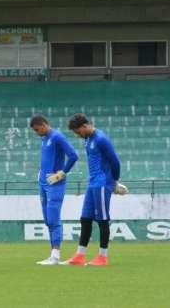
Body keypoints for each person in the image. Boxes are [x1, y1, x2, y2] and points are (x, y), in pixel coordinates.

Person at [64, 114, 126, 267]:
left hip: (102, 183)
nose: (78, 135)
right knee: (85, 219)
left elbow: (115, 161)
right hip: (92, 184)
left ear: (85, 126)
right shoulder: (88, 139)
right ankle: (80, 255)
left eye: (78, 132)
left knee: (103, 220)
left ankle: (103, 257)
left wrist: (114, 181)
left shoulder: (101, 139)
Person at [30, 115, 79, 265]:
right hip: (43, 183)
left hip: (55, 184)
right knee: (47, 220)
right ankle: (52, 255)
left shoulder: (57, 136)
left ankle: (56, 256)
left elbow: (73, 155)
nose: (37, 133)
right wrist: (41, 172)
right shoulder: (44, 138)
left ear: (44, 125)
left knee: (53, 218)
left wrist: (62, 172)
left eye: (38, 129)